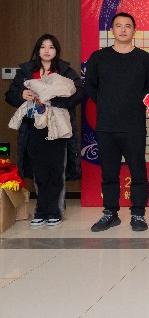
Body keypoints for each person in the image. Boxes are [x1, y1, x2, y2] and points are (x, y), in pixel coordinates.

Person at [85, 12, 149, 232]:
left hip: (134, 126)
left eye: (128, 26)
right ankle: (110, 213)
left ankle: (138, 214)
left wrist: (133, 105)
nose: (123, 29)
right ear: (112, 30)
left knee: (138, 172)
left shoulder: (145, 59)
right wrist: (107, 103)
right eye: (119, 26)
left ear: (134, 30)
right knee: (109, 173)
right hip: (106, 126)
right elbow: (90, 87)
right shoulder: (99, 57)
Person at [5, 34, 83, 226]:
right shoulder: (26, 71)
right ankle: (41, 211)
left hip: (57, 127)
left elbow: (78, 93)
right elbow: (10, 96)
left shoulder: (65, 71)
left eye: (51, 47)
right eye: (43, 47)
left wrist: (55, 99)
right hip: (33, 126)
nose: (47, 50)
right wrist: (21, 94)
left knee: (56, 169)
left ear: (57, 50)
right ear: (37, 50)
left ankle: (55, 211)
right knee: (38, 170)